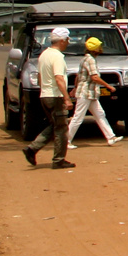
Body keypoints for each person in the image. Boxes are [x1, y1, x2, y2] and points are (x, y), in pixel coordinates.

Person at [23, 27, 77, 168]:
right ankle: (58, 160)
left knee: (55, 124)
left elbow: (40, 77)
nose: (68, 42)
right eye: (67, 40)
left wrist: (44, 90)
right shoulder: (57, 56)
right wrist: (66, 98)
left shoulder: (44, 55)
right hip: (55, 96)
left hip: (45, 95)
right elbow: (59, 78)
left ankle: (32, 148)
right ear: (61, 40)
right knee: (61, 129)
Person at [66, 36, 122, 146]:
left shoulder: (85, 59)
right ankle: (66, 141)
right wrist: (108, 86)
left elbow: (79, 76)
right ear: (95, 49)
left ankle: (111, 137)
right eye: (99, 46)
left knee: (100, 114)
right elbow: (94, 77)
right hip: (86, 93)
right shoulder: (90, 60)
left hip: (89, 93)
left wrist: (75, 88)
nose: (101, 48)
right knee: (78, 117)